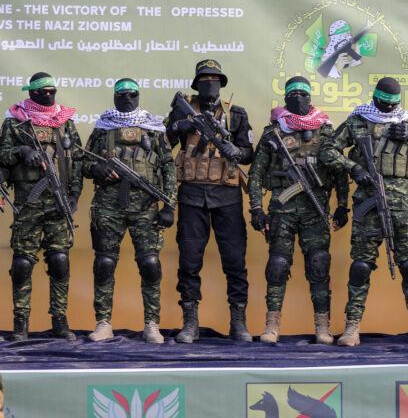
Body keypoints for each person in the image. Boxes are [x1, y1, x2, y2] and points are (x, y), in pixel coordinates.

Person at [319, 77, 408, 346]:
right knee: (361, 266)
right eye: (384, 103)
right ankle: (352, 327)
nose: (388, 109)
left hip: (403, 206)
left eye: (393, 105)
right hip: (368, 200)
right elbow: (327, 151)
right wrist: (353, 167)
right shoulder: (358, 121)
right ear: (374, 98)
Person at [248, 76, 349, 345]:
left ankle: (323, 326)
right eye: (293, 95)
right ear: (285, 98)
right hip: (282, 209)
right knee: (278, 266)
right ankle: (271, 325)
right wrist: (256, 208)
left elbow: (339, 172)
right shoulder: (274, 132)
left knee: (319, 264)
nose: (299, 99)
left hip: (315, 211)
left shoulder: (325, 132)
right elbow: (256, 173)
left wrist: (343, 206)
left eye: (303, 94)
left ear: (310, 97)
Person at [165, 59, 255, 343]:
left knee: (235, 261)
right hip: (192, 196)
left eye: (214, 79)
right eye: (204, 79)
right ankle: (190, 323)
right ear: (197, 84)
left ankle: (238, 323)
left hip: (227, 197)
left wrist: (236, 152)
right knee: (189, 261)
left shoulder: (236, 114)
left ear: (221, 83)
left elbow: (250, 152)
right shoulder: (182, 109)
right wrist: (179, 125)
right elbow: (164, 144)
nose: (210, 83)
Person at [83, 78, 177, 343]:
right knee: (104, 264)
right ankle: (103, 323)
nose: (127, 99)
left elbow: (169, 167)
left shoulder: (153, 128)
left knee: (150, 265)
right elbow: (82, 162)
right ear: (115, 97)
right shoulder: (103, 128)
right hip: (107, 207)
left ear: (139, 96)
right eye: (122, 95)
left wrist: (169, 206)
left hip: (146, 208)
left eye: (132, 94)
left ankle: (152, 324)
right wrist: (96, 168)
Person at [0, 72, 83, 341]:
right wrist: (22, 152)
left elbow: (77, 162)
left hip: (59, 202)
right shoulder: (15, 122)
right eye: (42, 92)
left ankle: (59, 320)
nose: (48, 95)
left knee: (59, 261)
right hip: (29, 202)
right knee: (23, 263)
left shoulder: (65, 122)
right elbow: (2, 155)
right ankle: (21, 322)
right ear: (32, 93)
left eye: (52, 91)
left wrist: (75, 196)